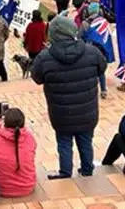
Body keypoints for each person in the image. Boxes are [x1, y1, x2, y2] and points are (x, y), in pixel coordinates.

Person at [32, 15, 106, 179]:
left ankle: (65, 172)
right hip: (87, 110)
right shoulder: (91, 51)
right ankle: (87, 169)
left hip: (61, 112)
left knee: (64, 142)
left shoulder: (45, 57)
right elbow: (102, 67)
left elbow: (36, 77)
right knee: (85, 140)